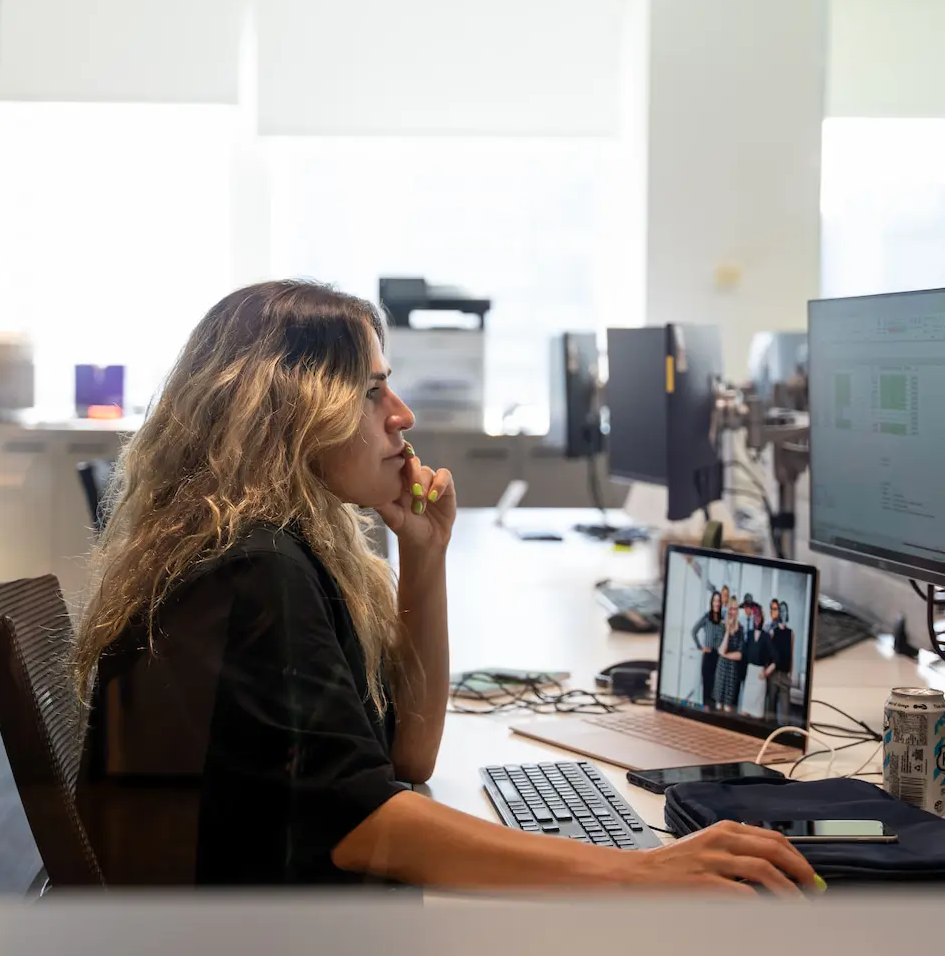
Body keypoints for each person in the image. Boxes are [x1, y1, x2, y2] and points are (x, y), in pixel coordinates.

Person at [70, 279, 817, 895]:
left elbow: (406, 757)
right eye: (370, 392)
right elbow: (368, 827)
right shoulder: (255, 568)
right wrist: (638, 871)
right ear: (290, 411)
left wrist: (423, 555)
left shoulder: (282, 549)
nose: (403, 415)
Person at [691, 590, 725, 710]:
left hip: (720, 657)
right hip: (709, 655)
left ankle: (715, 712)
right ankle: (706, 709)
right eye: (715, 601)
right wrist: (700, 647)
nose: (716, 603)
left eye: (718, 601)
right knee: (707, 684)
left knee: (717, 686)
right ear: (712, 602)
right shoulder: (706, 617)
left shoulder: (723, 619)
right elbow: (694, 631)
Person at [765, 599, 795, 725]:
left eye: (784, 610)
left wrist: (790, 674)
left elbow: (791, 654)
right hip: (773, 675)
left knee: (786, 714)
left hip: (784, 675)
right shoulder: (772, 632)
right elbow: (768, 654)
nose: (782, 613)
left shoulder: (791, 633)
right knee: (770, 711)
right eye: (780, 610)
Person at [741, 605, 773, 719]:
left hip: (760, 674)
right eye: (755, 616)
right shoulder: (749, 634)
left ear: (762, 618)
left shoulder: (766, 636)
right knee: (744, 713)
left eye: (759, 616)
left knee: (758, 715)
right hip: (750, 673)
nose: (757, 619)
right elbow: (744, 653)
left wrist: (766, 672)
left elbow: (773, 658)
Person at [714, 597, 745, 713]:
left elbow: (739, 655)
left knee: (728, 708)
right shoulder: (721, 626)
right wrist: (727, 631)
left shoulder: (740, 629)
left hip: (733, 672)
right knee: (718, 706)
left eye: (735, 609)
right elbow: (721, 650)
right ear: (728, 610)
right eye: (731, 609)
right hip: (721, 670)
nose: (733, 612)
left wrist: (725, 655)